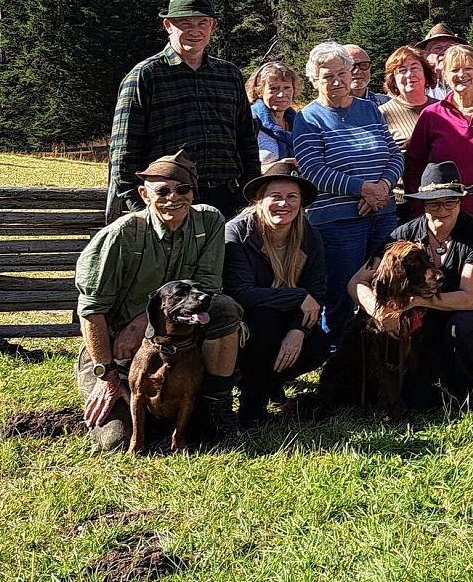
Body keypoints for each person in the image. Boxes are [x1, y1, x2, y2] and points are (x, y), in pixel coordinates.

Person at [73, 150, 241, 451]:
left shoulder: (209, 221)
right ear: (144, 194)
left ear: (193, 192)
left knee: (224, 309)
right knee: (114, 441)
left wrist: (143, 322)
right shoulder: (122, 235)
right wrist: (107, 374)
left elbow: (209, 286)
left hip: (177, 346)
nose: (173, 198)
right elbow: (91, 311)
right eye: (162, 190)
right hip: (116, 348)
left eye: (183, 189)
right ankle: (121, 399)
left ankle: (216, 404)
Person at [354, 160, 473, 408]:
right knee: (419, 400)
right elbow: (356, 282)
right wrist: (381, 313)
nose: (441, 209)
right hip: (426, 316)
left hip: (471, 311)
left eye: (449, 201)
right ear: (422, 204)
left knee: (461, 327)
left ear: (460, 201)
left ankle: (468, 393)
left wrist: (414, 301)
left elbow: (468, 298)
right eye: (433, 203)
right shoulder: (403, 235)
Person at [107, 0, 259, 221]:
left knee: (225, 259)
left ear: (213, 26)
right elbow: (124, 151)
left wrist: (250, 195)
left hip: (228, 200)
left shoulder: (229, 75)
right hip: (170, 200)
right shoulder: (146, 75)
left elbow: (246, 140)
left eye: (202, 23)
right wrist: (142, 208)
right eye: (185, 23)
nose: (195, 31)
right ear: (168, 26)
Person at [290, 42, 403, 317]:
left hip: (383, 213)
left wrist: (383, 188)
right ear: (314, 80)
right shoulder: (308, 118)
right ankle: (337, 353)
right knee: (342, 295)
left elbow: (395, 155)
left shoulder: (370, 109)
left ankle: (379, 351)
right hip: (339, 223)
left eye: (342, 72)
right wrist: (363, 190)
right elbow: (313, 171)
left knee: (387, 288)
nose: (337, 81)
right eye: (327, 76)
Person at [224, 159, 329, 425]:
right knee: (264, 322)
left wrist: (298, 331)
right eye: (276, 196)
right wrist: (297, 296)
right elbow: (240, 293)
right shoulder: (238, 232)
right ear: (259, 200)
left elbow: (317, 292)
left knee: (317, 346)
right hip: (246, 321)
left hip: (291, 315)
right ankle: (252, 407)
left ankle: (269, 382)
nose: (284, 204)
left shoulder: (309, 235)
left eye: (292, 197)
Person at [404, 44, 473, 241]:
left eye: (468, 68)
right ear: (444, 75)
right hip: (444, 216)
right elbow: (413, 167)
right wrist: (421, 210)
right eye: (454, 69)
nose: (461, 74)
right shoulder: (432, 115)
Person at [378, 45, 433, 155]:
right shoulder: (382, 114)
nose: (409, 74)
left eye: (415, 68)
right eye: (402, 70)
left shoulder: (443, 108)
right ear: (393, 80)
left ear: (425, 73)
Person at [247, 60, 300, 165]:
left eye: (287, 87)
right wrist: (276, 167)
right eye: (274, 88)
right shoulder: (249, 120)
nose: (281, 94)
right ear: (259, 91)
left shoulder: (300, 123)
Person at [417, 22, 461, 100]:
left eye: (449, 48)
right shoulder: (417, 84)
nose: (445, 52)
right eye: (438, 48)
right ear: (426, 56)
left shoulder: (466, 82)